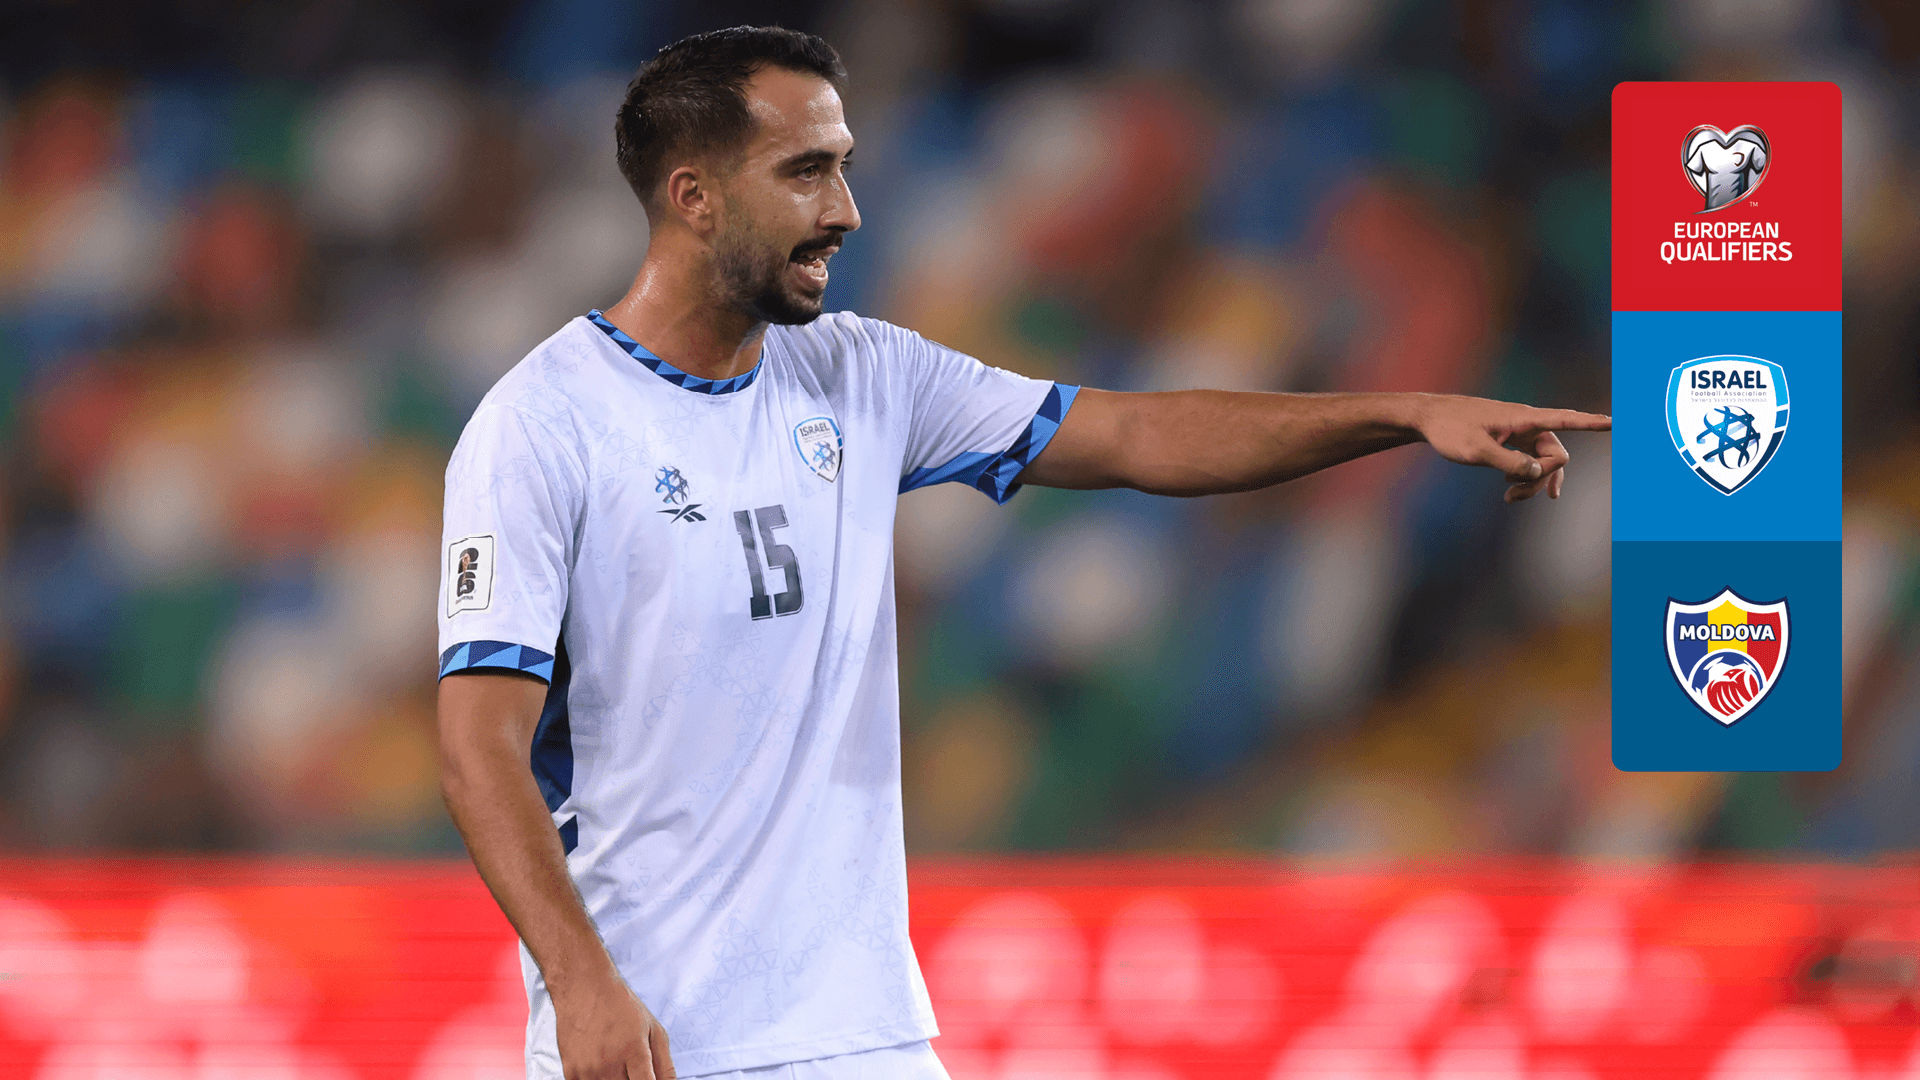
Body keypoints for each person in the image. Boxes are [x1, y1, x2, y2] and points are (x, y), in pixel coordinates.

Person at [435, 25, 1610, 1080]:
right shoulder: (544, 426)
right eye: (805, 172)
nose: (846, 209)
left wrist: (1401, 414)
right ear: (693, 196)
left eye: (845, 166)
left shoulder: (864, 373)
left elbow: (1138, 433)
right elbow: (480, 747)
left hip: (865, 1036)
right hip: (659, 1038)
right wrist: (581, 985)